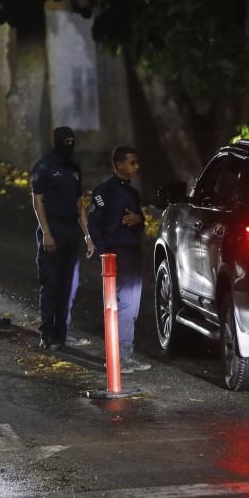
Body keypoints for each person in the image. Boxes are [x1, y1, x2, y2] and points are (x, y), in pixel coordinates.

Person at [31, 127, 96, 350]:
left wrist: (88, 235)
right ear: (57, 141)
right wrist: (47, 233)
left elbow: (79, 205)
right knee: (51, 284)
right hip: (53, 228)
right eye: (66, 141)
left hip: (71, 231)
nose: (70, 144)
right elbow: (37, 200)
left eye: (72, 140)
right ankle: (47, 335)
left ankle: (61, 334)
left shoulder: (74, 170)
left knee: (68, 285)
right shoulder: (44, 166)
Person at [88, 145, 149, 374]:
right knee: (122, 305)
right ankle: (118, 357)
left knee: (132, 307)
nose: (136, 167)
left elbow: (139, 225)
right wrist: (105, 253)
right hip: (117, 255)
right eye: (132, 162)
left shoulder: (132, 193)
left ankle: (127, 354)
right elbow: (93, 224)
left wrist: (139, 219)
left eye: (137, 162)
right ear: (119, 164)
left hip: (133, 253)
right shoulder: (104, 191)